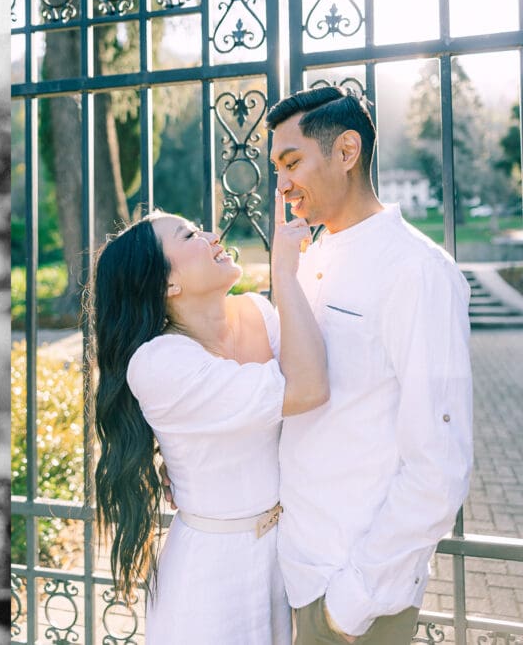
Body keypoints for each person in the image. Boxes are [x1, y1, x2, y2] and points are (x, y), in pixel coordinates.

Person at [266, 87, 473, 644]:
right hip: (295, 575)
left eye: (292, 163)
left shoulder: (418, 271)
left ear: (347, 150)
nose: (282, 185)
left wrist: (352, 601)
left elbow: (440, 464)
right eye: (277, 169)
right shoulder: (311, 260)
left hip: (356, 599)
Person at [91, 192, 330, 643]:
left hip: (284, 557)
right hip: (212, 575)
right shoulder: (159, 363)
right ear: (167, 285)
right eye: (190, 235)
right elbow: (308, 390)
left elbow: (314, 386)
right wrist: (284, 270)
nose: (213, 236)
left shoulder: (257, 313)